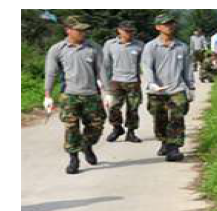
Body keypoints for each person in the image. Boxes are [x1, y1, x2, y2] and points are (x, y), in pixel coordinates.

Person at [44, 15, 105, 174]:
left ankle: (87, 145)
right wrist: (47, 95)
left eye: (84, 30)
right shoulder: (57, 49)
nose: (83, 33)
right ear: (68, 30)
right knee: (71, 128)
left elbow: (102, 71)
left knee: (96, 126)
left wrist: (108, 91)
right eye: (79, 30)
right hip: (69, 95)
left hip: (91, 94)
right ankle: (73, 159)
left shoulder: (93, 47)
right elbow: (51, 73)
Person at [142, 13, 195, 162]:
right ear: (158, 27)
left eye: (172, 23)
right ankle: (164, 141)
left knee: (177, 118)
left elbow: (187, 68)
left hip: (176, 89)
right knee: (160, 119)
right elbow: (147, 67)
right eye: (166, 24)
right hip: (156, 91)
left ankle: (174, 148)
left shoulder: (182, 47)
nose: (170, 26)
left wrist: (191, 87)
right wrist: (152, 83)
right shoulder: (151, 47)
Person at [101, 20, 144, 144]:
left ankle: (131, 132)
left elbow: (145, 64)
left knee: (133, 109)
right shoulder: (110, 44)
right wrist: (104, 82)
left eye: (131, 31)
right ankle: (117, 128)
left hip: (133, 82)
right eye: (126, 31)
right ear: (119, 31)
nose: (129, 34)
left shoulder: (140, 45)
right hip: (115, 81)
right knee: (113, 107)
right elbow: (105, 64)